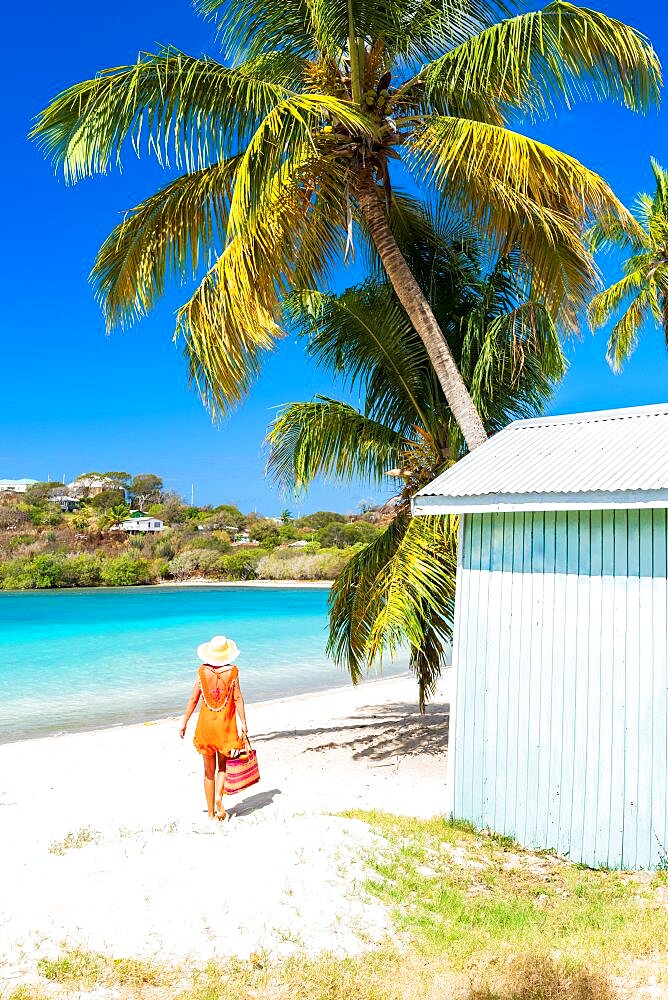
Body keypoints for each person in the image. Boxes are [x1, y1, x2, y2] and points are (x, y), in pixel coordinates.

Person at [180, 634, 248, 823]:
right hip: (225, 726)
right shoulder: (233, 672)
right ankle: (219, 795)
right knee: (223, 766)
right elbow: (238, 698)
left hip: (206, 725)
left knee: (208, 771)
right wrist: (244, 723)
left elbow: (193, 699)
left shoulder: (202, 672)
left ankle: (210, 814)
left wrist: (184, 722)